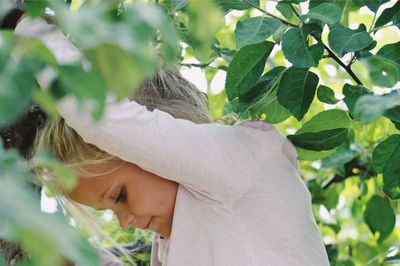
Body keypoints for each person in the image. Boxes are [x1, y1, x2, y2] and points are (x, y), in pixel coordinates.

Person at [16, 16, 330, 266]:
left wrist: (24, 26)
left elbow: (103, 121)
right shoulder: (178, 239)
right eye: (111, 211)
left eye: (120, 195)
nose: (125, 222)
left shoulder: (240, 161)